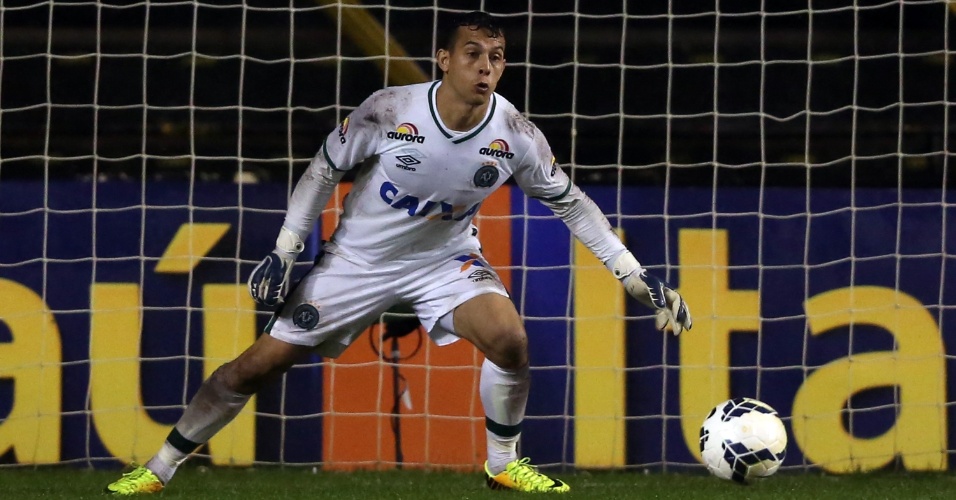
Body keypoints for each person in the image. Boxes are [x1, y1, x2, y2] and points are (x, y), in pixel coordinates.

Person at [104, 10, 691, 495]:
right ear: (443, 59)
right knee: (254, 367)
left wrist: (633, 277)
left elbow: (572, 203)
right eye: (472, 54)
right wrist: (286, 250)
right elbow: (320, 171)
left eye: (496, 56)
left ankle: (503, 463)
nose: (486, 67)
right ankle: (158, 469)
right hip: (355, 263)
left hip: (445, 262)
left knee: (510, 340)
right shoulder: (390, 109)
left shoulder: (514, 134)